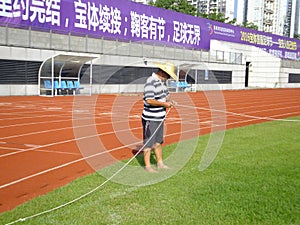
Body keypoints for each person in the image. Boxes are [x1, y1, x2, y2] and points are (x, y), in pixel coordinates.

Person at [141, 62, 177, 173]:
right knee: (149, 142)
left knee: (158, 141)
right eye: (168, 75)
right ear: (162, 72)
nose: (168, 78)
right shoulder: (150, 81)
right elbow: (149, 100)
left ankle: (160, 163)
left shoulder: (161, 83)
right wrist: (164, 105)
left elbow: (166, 95)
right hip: (151, 118)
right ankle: (148, 167)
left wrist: (170, 101)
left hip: (160, 118)